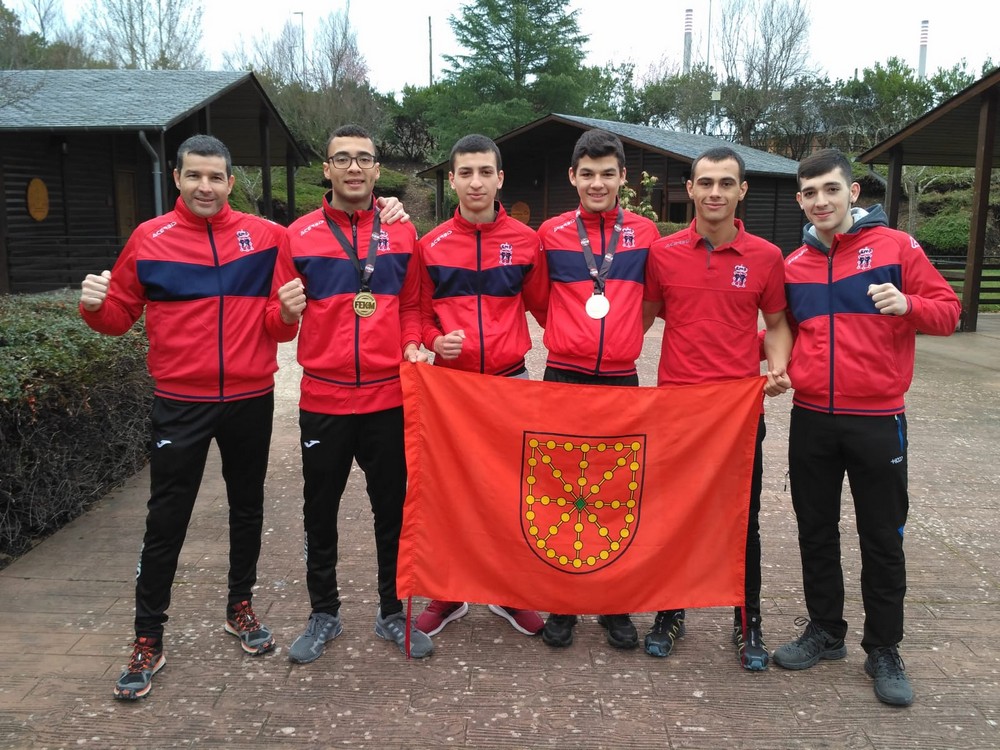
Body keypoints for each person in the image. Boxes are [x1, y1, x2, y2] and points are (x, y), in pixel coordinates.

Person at [80, 134, 288, 700]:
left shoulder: (267, 238)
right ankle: (149, 636)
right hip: (181, 401)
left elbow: (279, 320)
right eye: (194, 176)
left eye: (216, 177)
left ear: (230, 182)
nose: (205, 187)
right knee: (166, 519)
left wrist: (287, 315)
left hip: (249, 397)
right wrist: (93, 306)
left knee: (248, 507)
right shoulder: (150, 239)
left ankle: (239, 607)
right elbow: (120, 316)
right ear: (176, 178)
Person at [772, 148, 961, 706]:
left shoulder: (897, 248)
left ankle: (883, 647)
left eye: (831, 189)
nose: (820, 201)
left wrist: (908, 305)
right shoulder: (793, 265)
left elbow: (948, 311)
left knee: (882, 537)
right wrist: (780, 367)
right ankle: (826, 631)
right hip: (812, 420)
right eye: (809, 193)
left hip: (878, 420)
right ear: (800, 200)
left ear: (853, 193)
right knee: (816, 530)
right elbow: (784, 329)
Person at [265, 123, 434, 663]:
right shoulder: (299, 235)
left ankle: (392, 611)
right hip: (325, 399)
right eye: (344, 158)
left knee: (393, 510)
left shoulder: (402, 233)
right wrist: (286, 313)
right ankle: (324, 613)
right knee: (320, 511)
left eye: (364, 158)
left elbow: (411, 306)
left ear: (378, 170)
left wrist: (411, 344)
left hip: (388, 398)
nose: (355, 167)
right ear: (328, 169)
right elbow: (278, 322)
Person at [641, 146, 792, 670]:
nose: (714, 193)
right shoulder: (662, 254)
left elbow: (776, 325)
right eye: (705, 182)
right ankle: (669, 612)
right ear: (690, 189)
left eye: (726, 183)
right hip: (675, 411)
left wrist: (776, 368)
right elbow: (639, 319)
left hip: (736, 414)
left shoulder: (767, 258)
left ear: (742, 191)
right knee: (672, 516)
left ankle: (746, 622)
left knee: (740, 520)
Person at [412, 134, 546, 638]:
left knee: (513, 491)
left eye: (484, 172)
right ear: (452, 180)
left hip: (512, 383)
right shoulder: (431, 245)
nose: (475, 182)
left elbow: (545, 305)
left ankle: (510, 592)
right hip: (452, 390)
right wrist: (432, 339)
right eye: (465, 172)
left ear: (499, 179)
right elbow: (417, 314)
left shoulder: (527, 242)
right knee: (450, 492)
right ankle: (449, 593)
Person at [534, 129, 660, 650]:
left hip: (619, 379)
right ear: (572, 177)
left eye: (608, 173)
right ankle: (562, 606)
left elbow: (651, 303)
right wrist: (571, 336)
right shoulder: (551, 232)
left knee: (615, 494)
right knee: (560, 494)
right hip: (562, 376)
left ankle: (614, 605)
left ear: (623, 178)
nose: (597, 183)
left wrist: (623, 335)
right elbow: (539, 300)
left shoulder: (648, 233)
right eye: (587, 173)